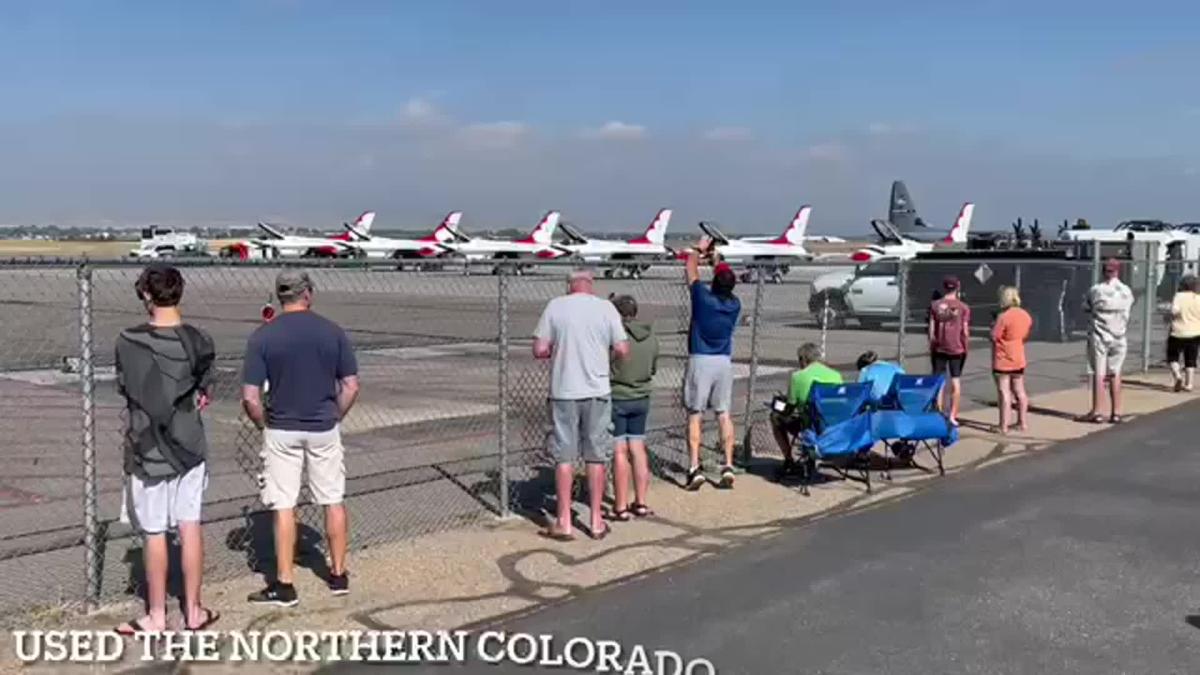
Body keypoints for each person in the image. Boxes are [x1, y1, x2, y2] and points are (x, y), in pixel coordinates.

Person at [242, 271, 360, 606]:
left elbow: (251, 396)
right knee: (332, 498)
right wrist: (335, 414)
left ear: (280, 297)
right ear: (307, 293)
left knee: (283, 503)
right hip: (323, 425)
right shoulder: (332, 331)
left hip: (282, 427)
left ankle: (285, 582)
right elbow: (351, 385)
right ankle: (338, 574)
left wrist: (263, 422)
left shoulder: (263, 337)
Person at [115, 265, 218, 634]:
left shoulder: (128, 340)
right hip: (188, 444)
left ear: (146, 294)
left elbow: (126, 387)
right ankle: (193, 610)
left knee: (154, 531)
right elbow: (205, 393)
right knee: (190, 524)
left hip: (148, 447)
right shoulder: (200, 340)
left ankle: (156, 615)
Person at [533, 269, 630, 541]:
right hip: (597, 388)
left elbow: (540, 348)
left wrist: (558, 350)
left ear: (569, 285)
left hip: (564, 389)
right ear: (591, 284)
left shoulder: (555, 306)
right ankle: (596, 519)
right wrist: (604, 354)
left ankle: (564, 520)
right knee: (596, 454)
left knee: (564, 455)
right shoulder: (606, 308)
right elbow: (623, 349)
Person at [684, 237, 742, 490]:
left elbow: (690, 268)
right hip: (723, 360)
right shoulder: (734, 304)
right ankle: (728, 463)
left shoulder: (702, 299)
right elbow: (721, 278)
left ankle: (694, 466)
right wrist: (715, 261)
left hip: (701, 358)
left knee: (695, 415)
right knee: (723, 414)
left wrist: (698, 250)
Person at [608, 295, 660, 521]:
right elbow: (653, 367)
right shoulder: (651, 337)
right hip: (642, 395)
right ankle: (640, 501)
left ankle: (620, 505)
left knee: (619, 450)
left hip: (619, 395)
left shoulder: (617, 338)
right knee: (638, 447)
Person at [771, 343, 842, 477]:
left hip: (809, 426)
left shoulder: (798, 376)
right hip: (830, 426)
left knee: (775, 417)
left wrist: (778, 405)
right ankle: (808, 458)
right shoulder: (836, 375)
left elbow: (789, 409)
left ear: (803, 359)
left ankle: (789, 459)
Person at [1083, 259, 1134, 423]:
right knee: (1115, 372)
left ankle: (1097, 412)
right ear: (1118, 271)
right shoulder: (1126, 291)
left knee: (1099, 373)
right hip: (1119, 335)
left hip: (1100, 335)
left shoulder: (1097, 290)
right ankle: (1116, 412)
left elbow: (1086, 307)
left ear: (1104, 271)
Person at [928, 276, 971, 425]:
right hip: (957, 347)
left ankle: (938, 411)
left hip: (940, 346)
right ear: (957, 287)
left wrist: (932, 345)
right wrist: (966, 346)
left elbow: (931, 330)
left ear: (945, 287)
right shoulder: (964, 307)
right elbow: (965, 331)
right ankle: (953, 415)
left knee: (939, 380)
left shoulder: (935, 305)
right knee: (955, 380)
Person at [991, 286, 1033, 434]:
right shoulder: (1025, 315)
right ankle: (1022, 422)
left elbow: (995, 336)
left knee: (1004, 391)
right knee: (1020, 390)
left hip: (1003, 358)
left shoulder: (1003, 317)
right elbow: (1025, 334)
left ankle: (1003, 425)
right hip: (1018, 356)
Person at [1166, 274, 1200, 392]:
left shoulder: (1179, 296)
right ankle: (1189, 384)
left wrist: (1170, 316)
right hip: (1195, 332)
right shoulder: (1198, 298)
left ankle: (1178, 376)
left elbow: (1174, 311)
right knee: (1191, 358)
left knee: (1172, 357)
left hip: (1178, 331)